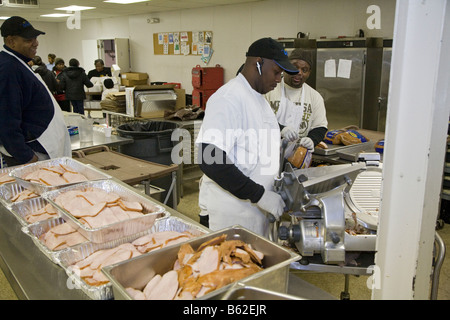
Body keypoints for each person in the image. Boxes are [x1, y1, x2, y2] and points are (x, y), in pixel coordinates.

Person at [195, 37, 299, 237]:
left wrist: (284, 145)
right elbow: (210, 159)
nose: (279, 79)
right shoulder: (228, 99)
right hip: (229, 218)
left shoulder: (259, 99)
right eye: (276, 72)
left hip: (254, 214)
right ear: (258, 63)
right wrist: (259, 195)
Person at [0, 16, 71, 166]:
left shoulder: (19, 63)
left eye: (35, 38)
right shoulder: (8, 69)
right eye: (28, 39)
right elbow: (5, 120)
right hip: (32, 155)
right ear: (11, 41)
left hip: (41, 149)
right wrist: (27, 157)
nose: (36, 43)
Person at [265, 48, 328, 150]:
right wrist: (281, 129)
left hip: (298, 154)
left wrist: (312, 139)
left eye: (304, 70)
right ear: (286, 66)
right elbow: (259, 119)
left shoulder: (314, 97)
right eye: (295, 67)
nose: (299, 72)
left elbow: (320, 126)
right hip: (267, 150)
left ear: (309, 73)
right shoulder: (269, 89)